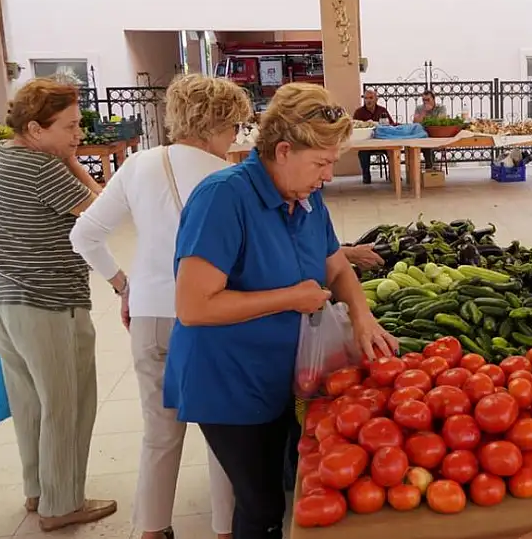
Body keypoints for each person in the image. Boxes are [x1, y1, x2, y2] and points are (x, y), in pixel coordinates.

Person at [163, 82, 398, 539]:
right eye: (322, 163)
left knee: (292, 484)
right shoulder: (224, 197)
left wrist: (363, 314)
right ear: (284, 150)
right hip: (229, 381)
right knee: (260, 502)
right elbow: (193, 306)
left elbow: (336, 266)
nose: (328, 176)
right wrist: (290, 298)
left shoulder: (306, 197)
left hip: (284, 375)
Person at [69, 74, 252, 539]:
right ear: (218, 124)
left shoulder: (138, 165)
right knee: (222, 432)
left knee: (159, 431)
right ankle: (225, 528)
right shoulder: (230, 178)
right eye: (234, 128)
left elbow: (84, 235)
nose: (235, 139)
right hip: (213, 316)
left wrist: (123, 285)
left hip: (150, 313)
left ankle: (152, 530)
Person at [0, 78, 117, 532]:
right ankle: (62, 504)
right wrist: (74, 163)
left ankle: (38, 490)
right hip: (49, 302)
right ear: (35, 129)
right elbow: (104, 212)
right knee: (66, 405)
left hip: (4, 298)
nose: (77, 134)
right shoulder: (41, 167)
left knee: (31, 403)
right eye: (69, 126)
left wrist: (66, 153)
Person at [353, 88, 393, 184]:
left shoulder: (382, 110)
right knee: (362, 153)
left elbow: (391, 124)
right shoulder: (359, 112)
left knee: (393, 150)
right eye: (366, 98)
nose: (368, 100)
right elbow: (353, 126)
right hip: (366, 142)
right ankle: (366, 176)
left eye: (371, 98)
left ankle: (393, 175)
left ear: (376, 99)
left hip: (382, 141)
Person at [412, 89, 447, 168]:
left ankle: (430, 165)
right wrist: (424, 112)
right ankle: (428, 165)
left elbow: (440, 122)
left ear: (433, 99)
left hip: (436, 134)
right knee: (424, 143)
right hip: (422, 135)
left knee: (427, 144)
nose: (425, 102)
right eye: (423, 100)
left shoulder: (441, 108)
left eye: (428, 100)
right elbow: (415, 122)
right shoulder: (419, 108)